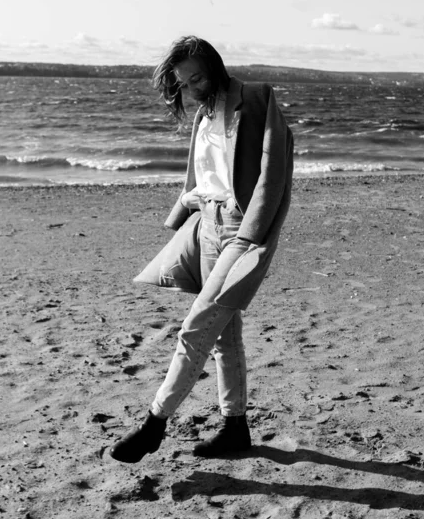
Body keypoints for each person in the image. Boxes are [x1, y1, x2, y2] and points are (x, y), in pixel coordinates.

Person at [110, 36, 294, 463]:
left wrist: (253, 233)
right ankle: (235, 428)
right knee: (223, 337)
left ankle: (153, 425)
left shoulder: (255, 98)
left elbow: (275, 170)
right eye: (183, 82)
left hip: (239, 231)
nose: (191, 88)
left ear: (215, 67)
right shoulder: (202, 114)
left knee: (194, 329)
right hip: (206, 227)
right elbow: (201, 175)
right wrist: (185, 208)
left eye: (197, 77)